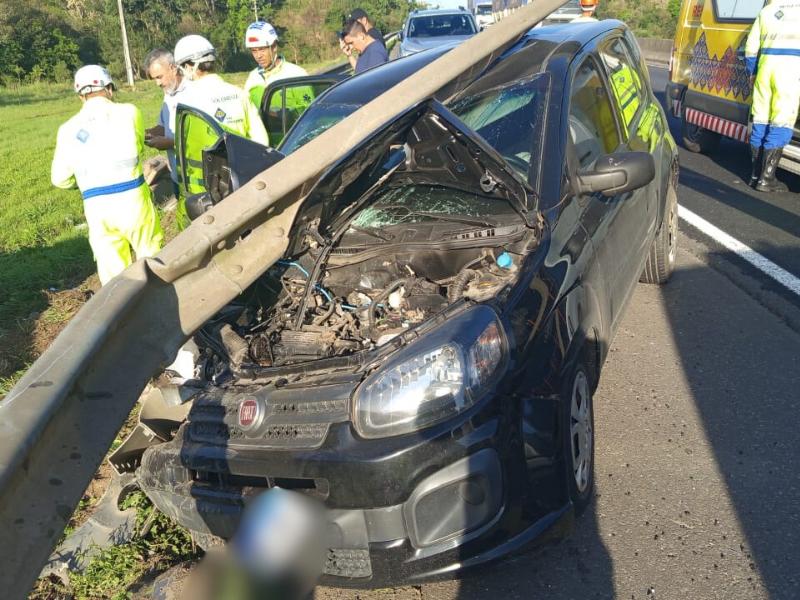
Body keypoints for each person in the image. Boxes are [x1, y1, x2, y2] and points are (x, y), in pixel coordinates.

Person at [51, 65, 163, 285]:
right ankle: (157, 304)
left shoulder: (67, 129)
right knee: (151, 258)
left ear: (81, 96)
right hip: (134, 202)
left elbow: (59, 179)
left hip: (97, 207)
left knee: (113, 276)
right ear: (109, 89)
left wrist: (84, 181)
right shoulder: (129, 112)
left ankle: (121, 316)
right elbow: (139, 147)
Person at [173, 34, 270, 199]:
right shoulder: (239, 94)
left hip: (202, 194)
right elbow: (262, 142)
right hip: (242, 185)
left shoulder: (186, 103)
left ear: (190, 67)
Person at [744, 0, 800, 193]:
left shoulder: (766, 11)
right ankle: (767, 178)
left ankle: (754, 175)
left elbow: (750, 48)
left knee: (760, 121)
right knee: (781, 121)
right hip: (791, 70)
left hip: (764, 71)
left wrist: (753, 72)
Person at [144, 48, 191, 225]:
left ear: (173, 68)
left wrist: (170, 143)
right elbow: (163, 126)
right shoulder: (168, 94)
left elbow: (198, 136)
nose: (157, 83)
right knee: (183, 223)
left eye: (159, 77)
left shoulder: (193, 91)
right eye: (154, 78)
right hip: (176, 174)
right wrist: (146, 134)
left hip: (195, 176)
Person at [243, 21, 308, 109]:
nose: (258, 56)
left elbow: (309, 114)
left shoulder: (297, 74)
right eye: (254, 50)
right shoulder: (252, 79)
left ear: (274, 47)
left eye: (262, 49)